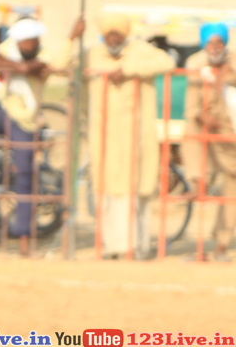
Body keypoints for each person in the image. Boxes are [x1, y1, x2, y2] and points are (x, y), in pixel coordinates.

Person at [71, 14, 174, 258]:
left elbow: (167, 62)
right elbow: (62, 64)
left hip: (136, 139)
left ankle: (134, 246)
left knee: (135, 191)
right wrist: (71, 38)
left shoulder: (139, 51)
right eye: (109, 35)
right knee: (106, 191)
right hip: (103, 137)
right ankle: (112, 246)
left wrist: (127, 70)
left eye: (117, 35)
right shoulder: (92, 54)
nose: (113, 39)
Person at [0, 17, 59, 256]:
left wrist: (10, 64)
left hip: (25, 120)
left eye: (29, 42)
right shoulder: (10, 47)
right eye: (22, 42)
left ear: (36, 41)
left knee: (25, 174)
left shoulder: (46, 54)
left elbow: (27, 68)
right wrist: (14, 64)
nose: (25, 46)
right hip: (1, 109)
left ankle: (24, 235)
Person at [183, 22, 236, 260]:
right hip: (207, 131)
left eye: (219, 42)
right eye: (210, 43)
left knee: (232, 189)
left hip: (230, 135)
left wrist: (224, 76)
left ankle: (221, 245)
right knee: (191, 128)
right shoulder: (196, 66)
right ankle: (197, 180)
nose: (215, 47)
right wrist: (203, 115)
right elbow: (191, 107)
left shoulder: (232, 63)